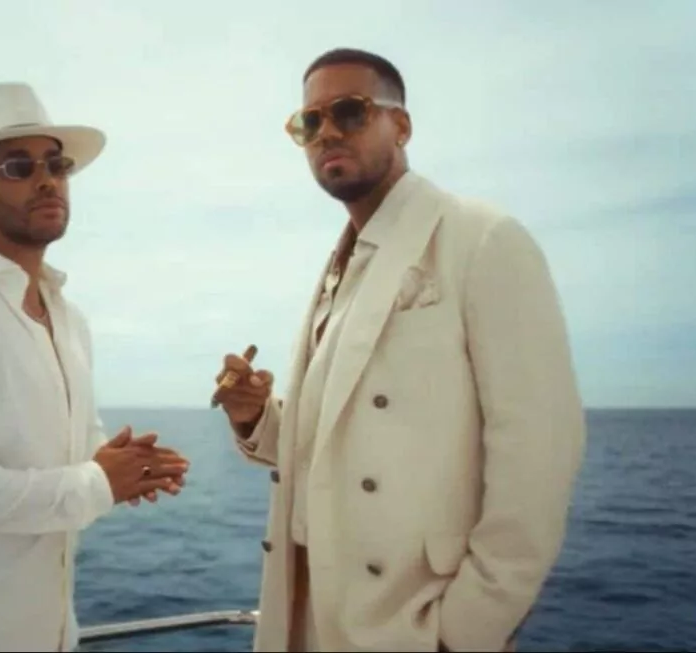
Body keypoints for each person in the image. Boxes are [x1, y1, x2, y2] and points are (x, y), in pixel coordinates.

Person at [213, 48, 587, 652]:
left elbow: (540, 449)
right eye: (310, 121)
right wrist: (256, 416)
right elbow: (333, 447)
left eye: (350, 111)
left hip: (410, 621)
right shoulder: (341, 266)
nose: (327, 132)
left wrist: (467, 630)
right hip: (308, 611)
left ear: (401, 125)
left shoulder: (481, 238)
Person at [0, 81, 190, 652]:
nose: (47, 180)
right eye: (19, 167)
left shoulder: (68, 318)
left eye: (56, 164)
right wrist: (95, 482)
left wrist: (122, 466)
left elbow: (69, 454)